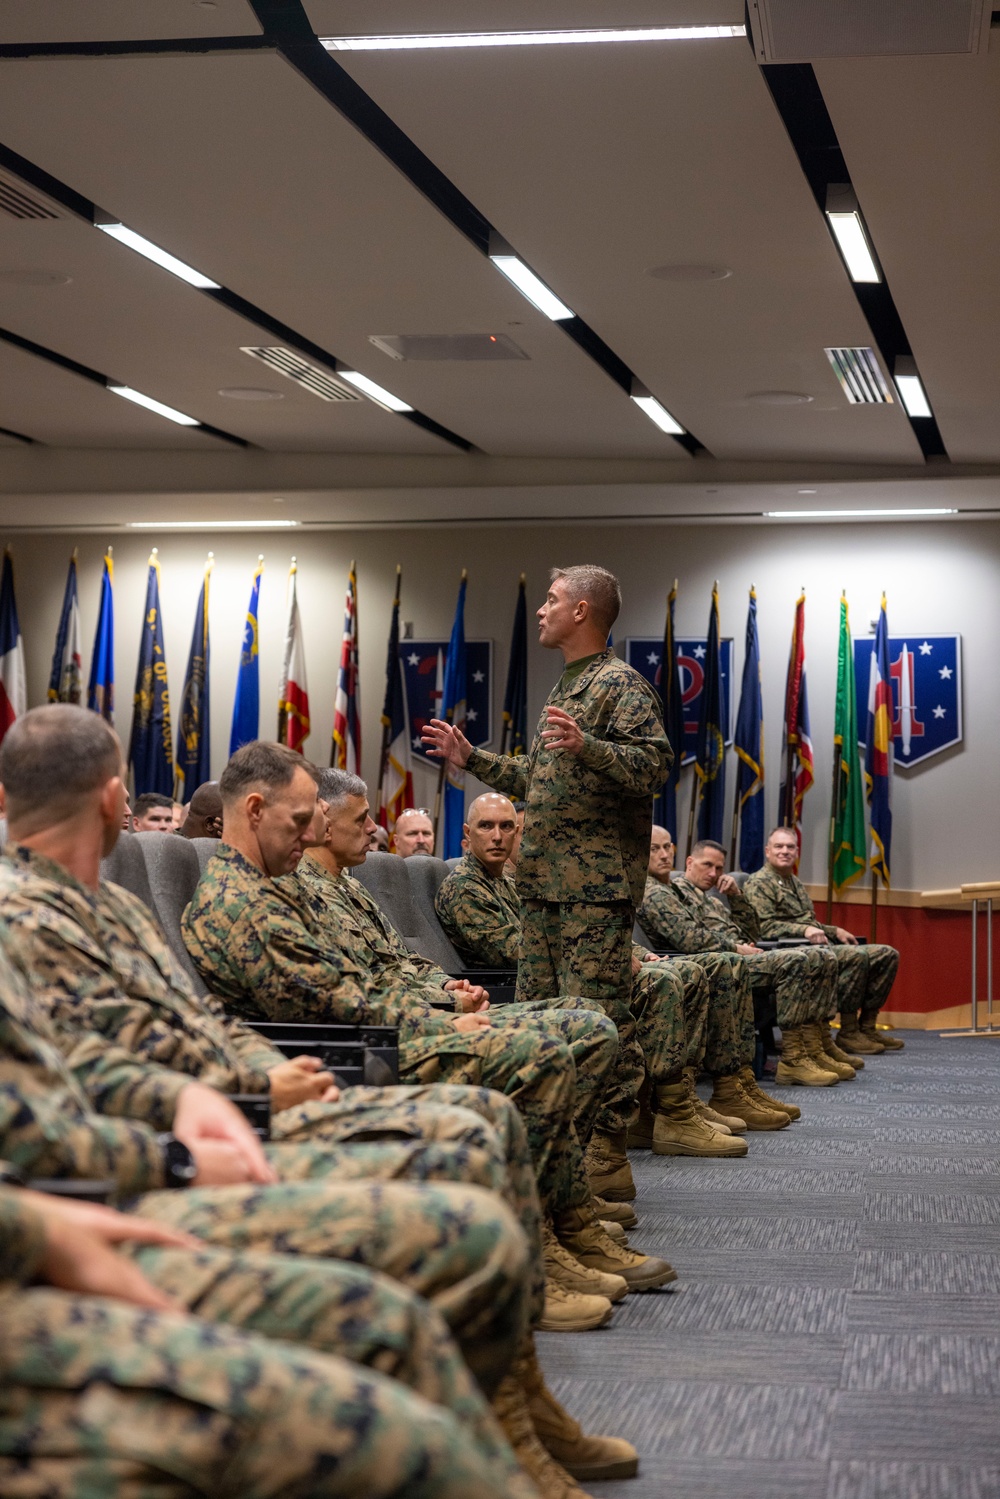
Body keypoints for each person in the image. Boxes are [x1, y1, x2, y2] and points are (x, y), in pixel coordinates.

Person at [0, 1184, 535, 1499]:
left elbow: (203, 1031)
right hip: (48, 1232)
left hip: (58, 1202)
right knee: (390, 1401)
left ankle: (515, 1437)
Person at [423, 565, 672, 1203]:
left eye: (554, 601)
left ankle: (605, 1154)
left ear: (583, 610)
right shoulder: (569, 683)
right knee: (543, 1025)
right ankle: (557, 1157)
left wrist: (591, 747)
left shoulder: (619, 684)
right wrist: (470, 758)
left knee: (600, 1021)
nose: (542, 611)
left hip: (593, 893)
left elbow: (655, 767)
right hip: (543, 892)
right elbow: (540, 781)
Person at [438, 793, 744, 1163]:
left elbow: (570, 927)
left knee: (682, 972)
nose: (499, 836)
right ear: (467, 834)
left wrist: (629, 953)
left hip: (560, 974)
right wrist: (608, 959)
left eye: (508, 827)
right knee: (661, 982)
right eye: (487, 827)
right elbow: (517, 951)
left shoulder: (510, 880)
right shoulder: (464, 887)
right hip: (523, 988)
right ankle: (669, 1115)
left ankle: (662, 1107)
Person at [639, 834, 848, 1102]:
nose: (665, 855)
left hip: (728, 954)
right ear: (690, 863)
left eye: (668, 847)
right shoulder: (657, 891)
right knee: (797, 960)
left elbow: (753, 931)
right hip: (703, 960)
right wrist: (736, 948)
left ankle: (814, 1046)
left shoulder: (701, 896)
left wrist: (736, 898)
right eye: (654, 848)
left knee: (818, 955)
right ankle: (792, 1058)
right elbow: (689, 939)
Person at [744, 826, 903, 1055]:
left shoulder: (793, 882)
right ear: (767, 851)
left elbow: (808, 921)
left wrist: (833, 929)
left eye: (790, 847)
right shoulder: (759, 883)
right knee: (856, 956)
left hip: (811, 944)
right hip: (791, 951)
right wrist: (805, 929)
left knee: (886, 954)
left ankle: (866, 1026)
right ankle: (848, 1032)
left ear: (797, 852)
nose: (785, 851)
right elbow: (764, 928)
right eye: (779, 846)